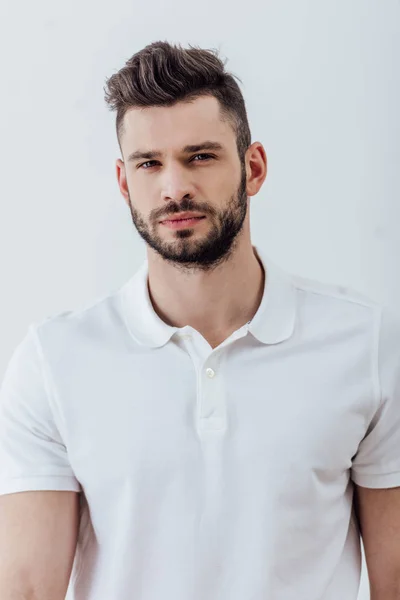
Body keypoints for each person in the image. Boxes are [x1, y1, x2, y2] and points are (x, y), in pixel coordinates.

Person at [1, 40, 400, 600]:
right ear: (124, 184)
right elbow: (26, 590)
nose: (174, 187)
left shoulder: (367, 346)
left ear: (253, 167)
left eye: (201, 156)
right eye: (149, 163)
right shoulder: (53, 360)